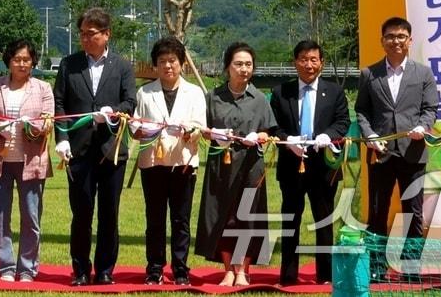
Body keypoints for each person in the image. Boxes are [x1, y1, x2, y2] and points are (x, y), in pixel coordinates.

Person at [52, 7, 136, 286]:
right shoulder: (69, 64)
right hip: (78, 149)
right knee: (82, 212)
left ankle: (105, 270)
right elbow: (60, 104)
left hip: (111, 150)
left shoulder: (123, 66)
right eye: (82, 34)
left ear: (106, 34)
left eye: (91, 34)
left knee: (109, 213)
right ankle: (79, 270)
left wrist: (113, 111)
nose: (86, 39)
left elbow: (130, 102)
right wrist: (62, 138)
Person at [354, 16, 438, 282]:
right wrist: (369, 135)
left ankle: (410, 266)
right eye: (390, 36)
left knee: (413, 211)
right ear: (382, 41)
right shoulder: (369, 74)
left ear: (410, 41)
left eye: (401, 36)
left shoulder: (423, 73)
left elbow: (430, 109)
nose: (396, 41)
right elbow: (362, 111)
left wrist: (423, 127)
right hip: (380, 153)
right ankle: (377, 266)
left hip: (413, 153)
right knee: (377, 209)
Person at [270, 39, 350, 286]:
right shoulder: (281, 92)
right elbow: (274, 126)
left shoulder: (334, 91)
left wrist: (328, 135)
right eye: (303, 59)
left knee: (324, 220)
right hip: (291, 166)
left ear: (322, 63)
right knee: (290, 220)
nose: (309, 65)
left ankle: (325, 275)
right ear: (295, 62)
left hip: (323, 167)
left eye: (314, 59)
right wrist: (287, 140)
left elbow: (343, 122)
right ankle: (289, 275)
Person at [196, 41, 276, 286]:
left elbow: (268, 132)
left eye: (248, 64)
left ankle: (244, 269)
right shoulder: (213, 97)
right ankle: (229, 268)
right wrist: (215, 134)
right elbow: (203, 130)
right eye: (238, 64)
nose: (244, 69)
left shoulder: (260, 98)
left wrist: (259, 137)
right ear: (227, 67)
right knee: (224, 216)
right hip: (222, 164)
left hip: (251, 166)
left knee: (247, 217)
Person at [131, 37, 206, 286]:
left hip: (183, 162)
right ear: (155, 65)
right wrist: (139, 129)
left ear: (182, 63)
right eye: (162, 61)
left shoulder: (194, 92)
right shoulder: (144, 92)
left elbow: (200, 126)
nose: (168, 66)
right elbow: (135, 124)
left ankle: (181, 268)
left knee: (181, 219)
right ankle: (154, 268)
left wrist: (191, 131)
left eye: (172, 60)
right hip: (152, 163)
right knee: (155, 219)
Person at [0, 39, 53, 283]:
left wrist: (31, 127)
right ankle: (6, 268)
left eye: (26, 59)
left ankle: (27, 269)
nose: (22, 64)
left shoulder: (43, 88)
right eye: (17, 59)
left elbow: (47, 121)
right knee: (0, 217)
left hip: (31, 161)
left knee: (31, 217)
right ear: (9, 62)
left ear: (33, 62)